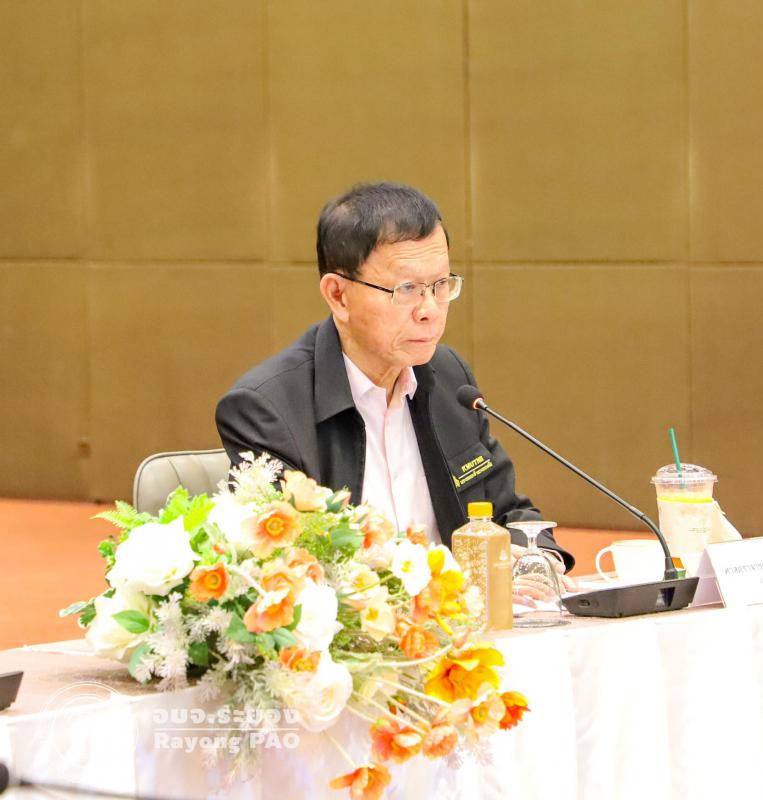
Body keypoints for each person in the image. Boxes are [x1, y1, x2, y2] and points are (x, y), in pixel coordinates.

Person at [216, 182, 574, 600]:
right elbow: (295, 575)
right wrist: (452, 587)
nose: (430, 310)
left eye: (441, 285)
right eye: (406, 290)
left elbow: (508, 512)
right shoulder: (267, 409)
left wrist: (539, 560)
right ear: (338, 295)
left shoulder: (448, 379)